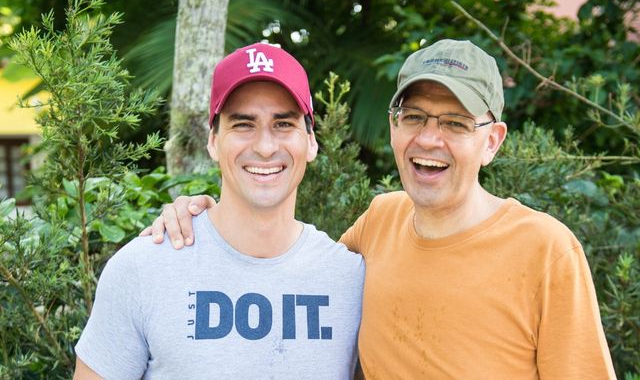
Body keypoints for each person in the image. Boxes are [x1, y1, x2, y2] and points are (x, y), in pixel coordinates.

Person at [145, 39, 616, 379]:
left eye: (455, 122)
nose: (428, 139)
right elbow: (281, 261)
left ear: (491, 141)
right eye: (414, 117)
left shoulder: (545, 251)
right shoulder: (379, 222)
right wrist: (201, 215)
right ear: (393, 126)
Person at [74, 43, 365, 379]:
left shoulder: (350, 279)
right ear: (213, 141)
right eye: (243, 125)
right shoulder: (142, 269)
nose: (266, 146)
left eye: (283, 124)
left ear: (311, 141)